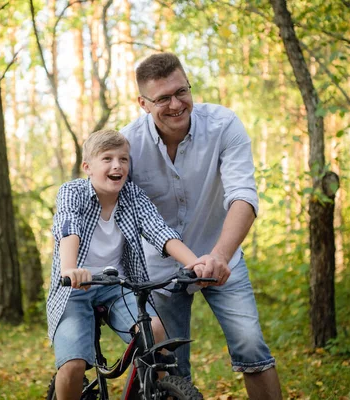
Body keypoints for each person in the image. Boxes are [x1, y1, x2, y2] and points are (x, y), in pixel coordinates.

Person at [120, 52, 282, 399]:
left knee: (252, 346)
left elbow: (243, 196)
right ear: (143, 103)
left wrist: (220, 256)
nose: (176, 104)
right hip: (161, 269)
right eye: (163, 98)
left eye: (182, 92)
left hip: (221, 255)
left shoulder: (223, 125)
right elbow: (114, 207)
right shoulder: (128, 144)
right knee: (169, 368)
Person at [46, 129, 206, 400]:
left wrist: (196, 264)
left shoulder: (133, 196)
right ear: (88, 167)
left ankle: (159, 393)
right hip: (74, 287)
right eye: (107, 159)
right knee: (73, 364)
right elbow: (68, 226)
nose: (117, 165)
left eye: (123, 159)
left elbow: (160, 231)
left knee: (155, 334)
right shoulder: (72, 192)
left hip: (117, 286)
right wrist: (70, 269)